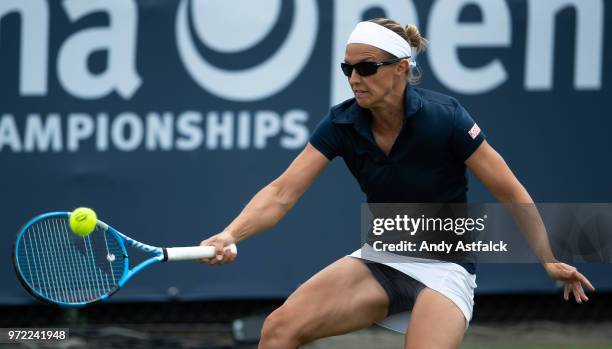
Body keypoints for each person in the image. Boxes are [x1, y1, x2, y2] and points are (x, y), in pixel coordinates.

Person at [199, 18, 595, 349]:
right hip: (382, 258)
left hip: (446, 267)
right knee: (277, 330)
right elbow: (281, 193)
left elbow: (509, 189)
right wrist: (230, 233)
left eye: (366, 68)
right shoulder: (341, 124)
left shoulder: (447, 118)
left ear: (401, 68)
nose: (354, 78)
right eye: (347, 69)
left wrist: (547, 258)